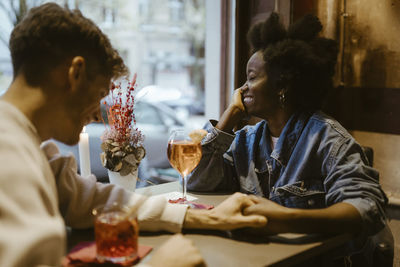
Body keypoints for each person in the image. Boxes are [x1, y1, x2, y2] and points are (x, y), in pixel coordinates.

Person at [0, 3, 267, 267]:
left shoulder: (28, 145)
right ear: (75, 73)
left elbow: (90, 199)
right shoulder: (9, 154)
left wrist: (209, 218)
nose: (96, 117)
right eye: (98, 96)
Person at [187, 13, 388, 264]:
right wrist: (228, 117)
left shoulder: (329, 139)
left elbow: (366, 208)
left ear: (282, 85)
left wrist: (282, 218)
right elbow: (198, 183)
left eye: (251, 77)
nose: (241, 89)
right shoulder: (246, 139)